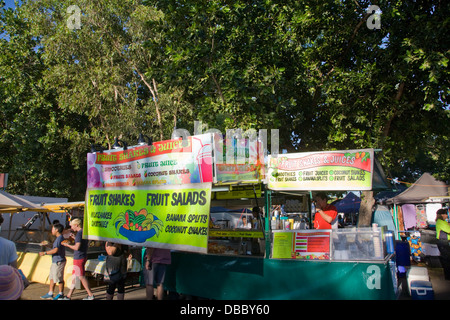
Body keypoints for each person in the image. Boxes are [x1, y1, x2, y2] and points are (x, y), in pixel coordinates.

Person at [59, 218, 94, 300]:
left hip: (79, 257)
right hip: (82, 256)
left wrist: (67, 245)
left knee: (81, 276)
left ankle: (90, 295)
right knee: (75, 277)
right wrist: (75, 238)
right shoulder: (83, 233)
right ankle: (68, 296)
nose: (71, 227)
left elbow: (77, 247)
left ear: (76, 225)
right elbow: (82, 243)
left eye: (72, 225)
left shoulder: (79, 234)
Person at [39, 223, 66, 299]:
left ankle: (61, 293)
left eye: (53, 229)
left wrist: (45, 253)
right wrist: (47, 245)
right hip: (55, 261)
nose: (52, 230)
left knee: (59, 278)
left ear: (56, 230)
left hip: (59, 261)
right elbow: (55, 247)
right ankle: (50, 292)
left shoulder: (59, 238)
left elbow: (55, 250)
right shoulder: (58, 238)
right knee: (52, 277)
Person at [435, 208, 450, 280]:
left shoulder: (440, 222)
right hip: (443, 242)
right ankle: (448, 276)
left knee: (446, 259)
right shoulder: (441, 222)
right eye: (446, 214)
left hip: (443, 242)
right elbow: (449, 230)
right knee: (447, 259)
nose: (447, 215)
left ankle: (447, 275)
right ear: (442, 215)